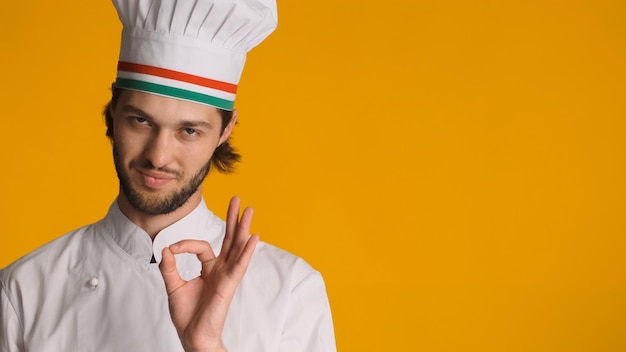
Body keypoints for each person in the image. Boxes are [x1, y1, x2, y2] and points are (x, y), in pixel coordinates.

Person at [0, 0, 336, 351]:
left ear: (225, 130)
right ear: (114, 110)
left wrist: (204, 342)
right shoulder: (24, 290)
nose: (158, 156)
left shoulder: (290, 292)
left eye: (188, 131)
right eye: (141, 120)